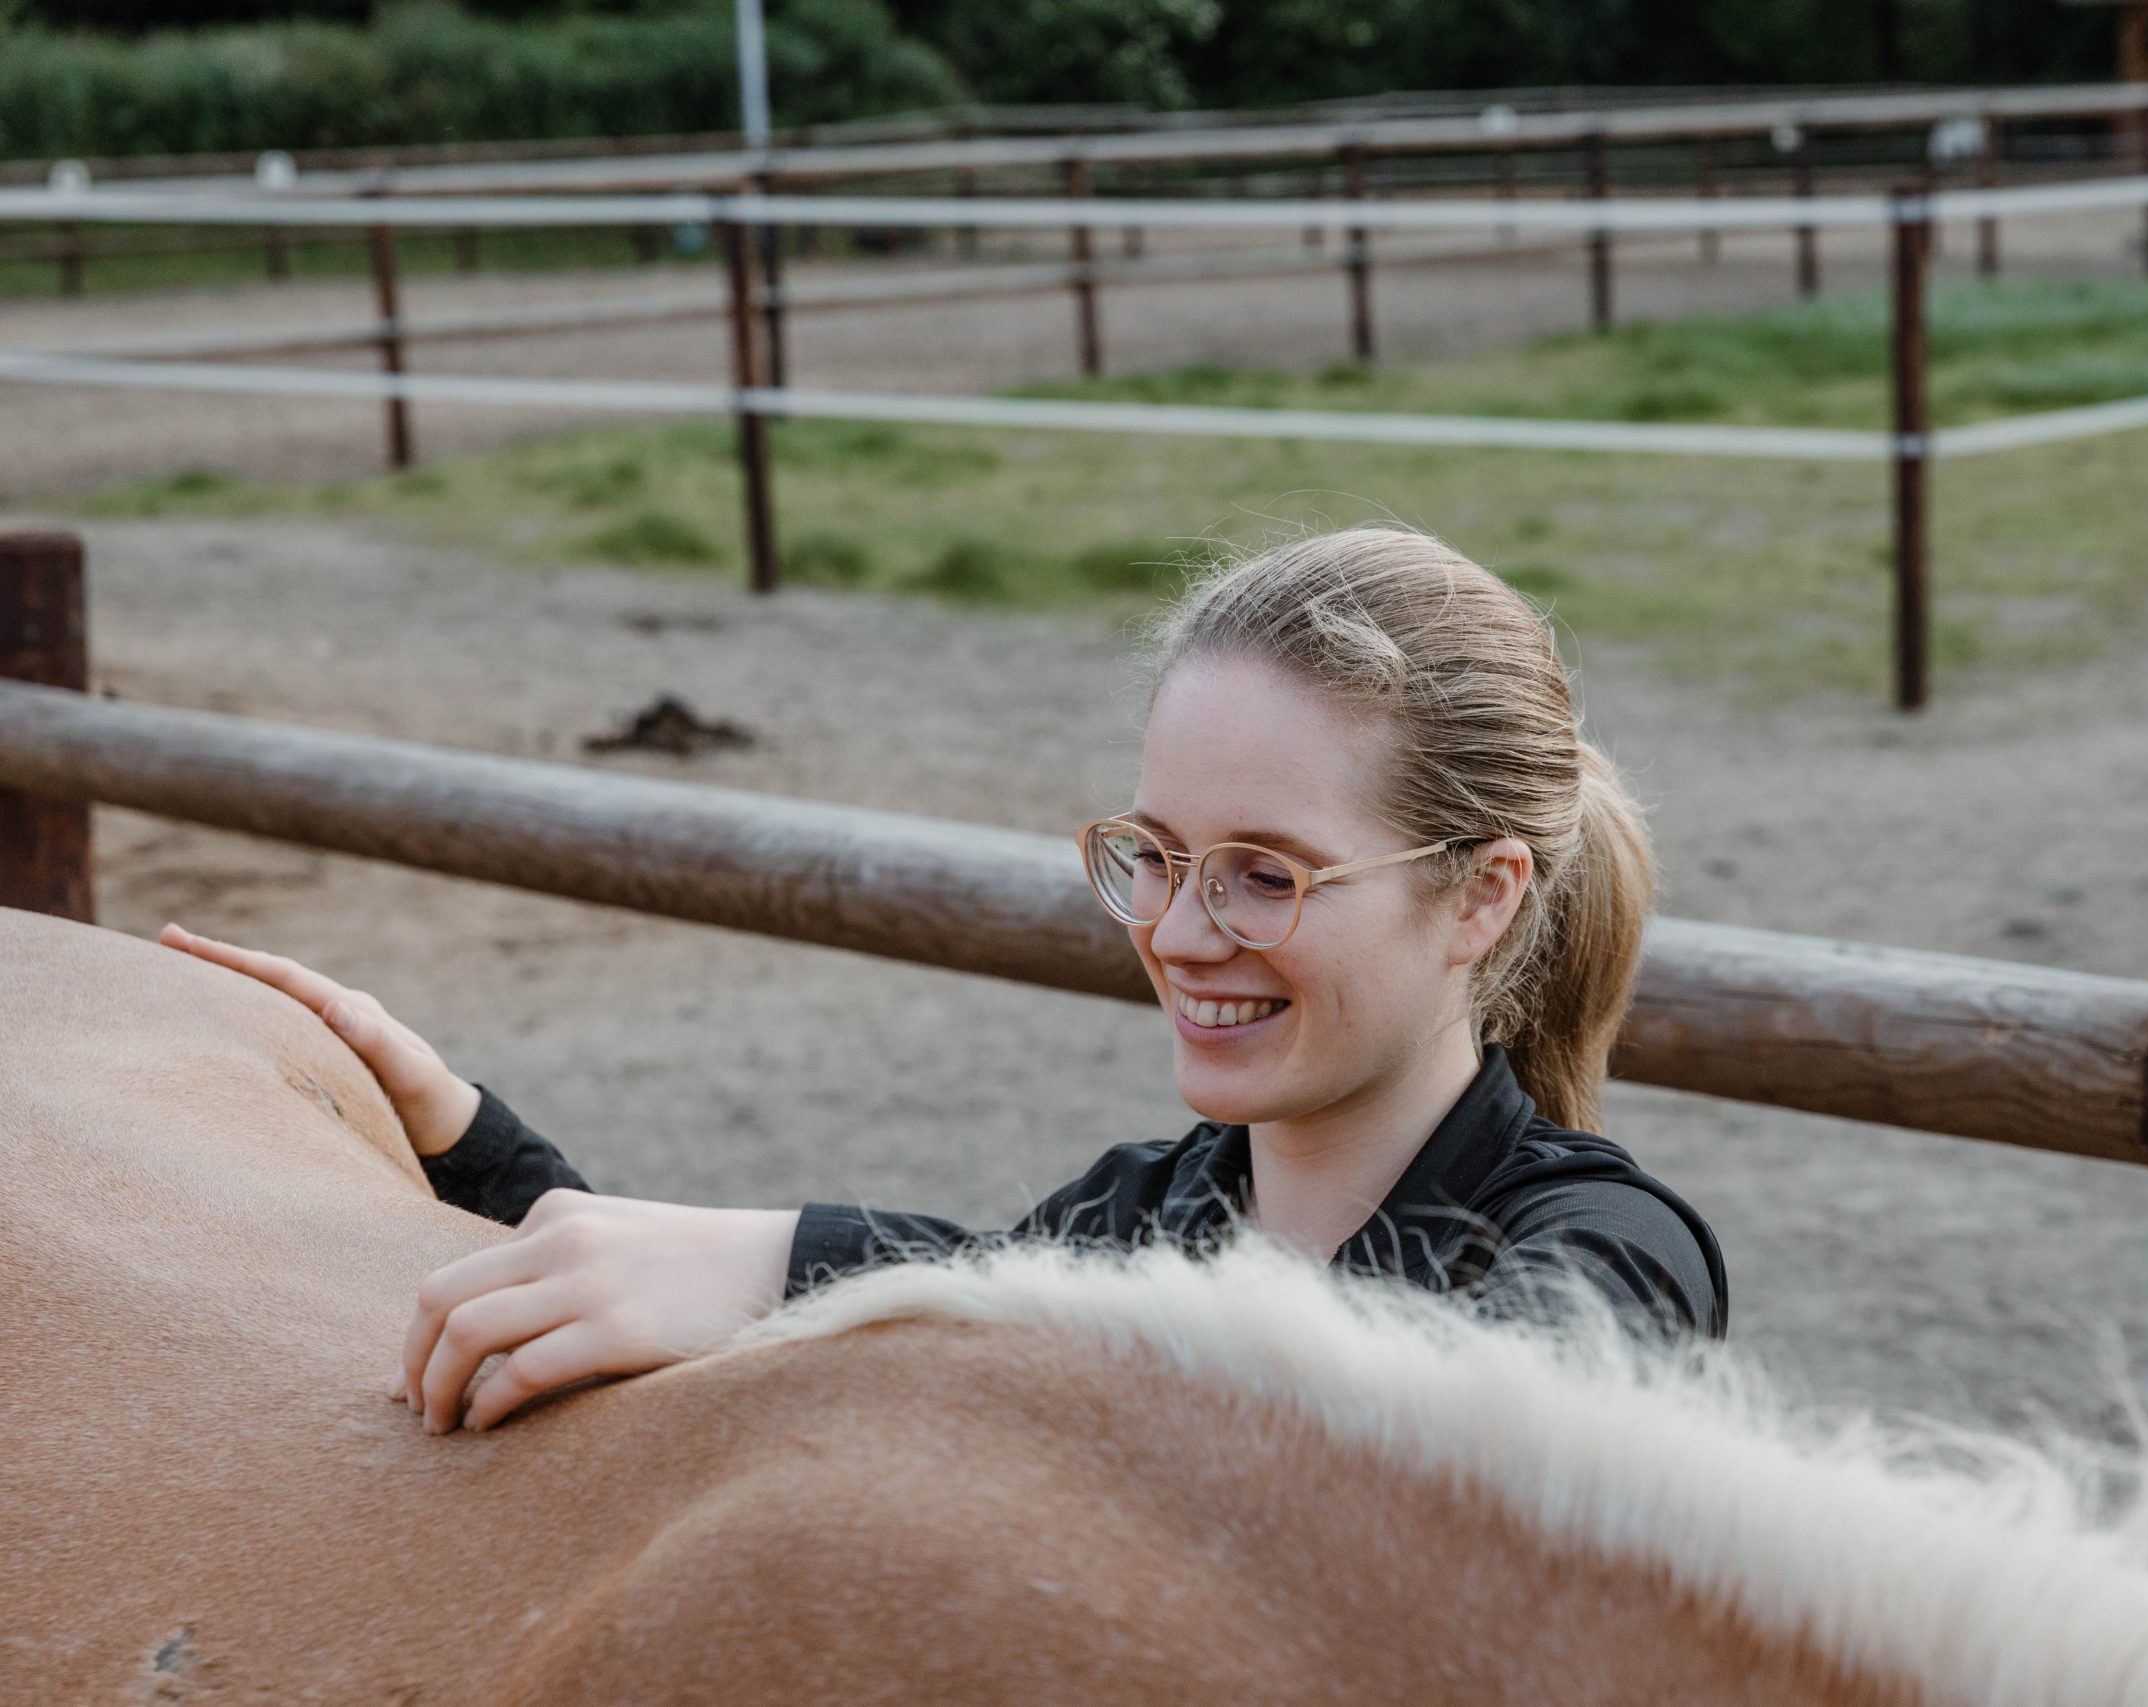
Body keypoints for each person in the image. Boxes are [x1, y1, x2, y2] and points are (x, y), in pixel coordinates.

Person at [164, 528, 1725, 1436]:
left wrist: (814, 1264)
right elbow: (992, 1301)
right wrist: (469, 1140)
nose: (1180, 933)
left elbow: (1433, 1456)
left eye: (1269, 873)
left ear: (1481, 896)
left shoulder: (1607, 1250)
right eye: (1156, 856)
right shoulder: (1141, 1214)